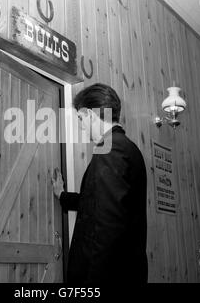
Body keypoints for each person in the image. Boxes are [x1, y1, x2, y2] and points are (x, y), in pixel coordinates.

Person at [51, 83, 148, 284]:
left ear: (90, 114)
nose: (80, 125)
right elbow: (98, 204)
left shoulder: (110, 151)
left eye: (80, 118)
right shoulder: (126, 148)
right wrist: (62, 195)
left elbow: (106, 229)